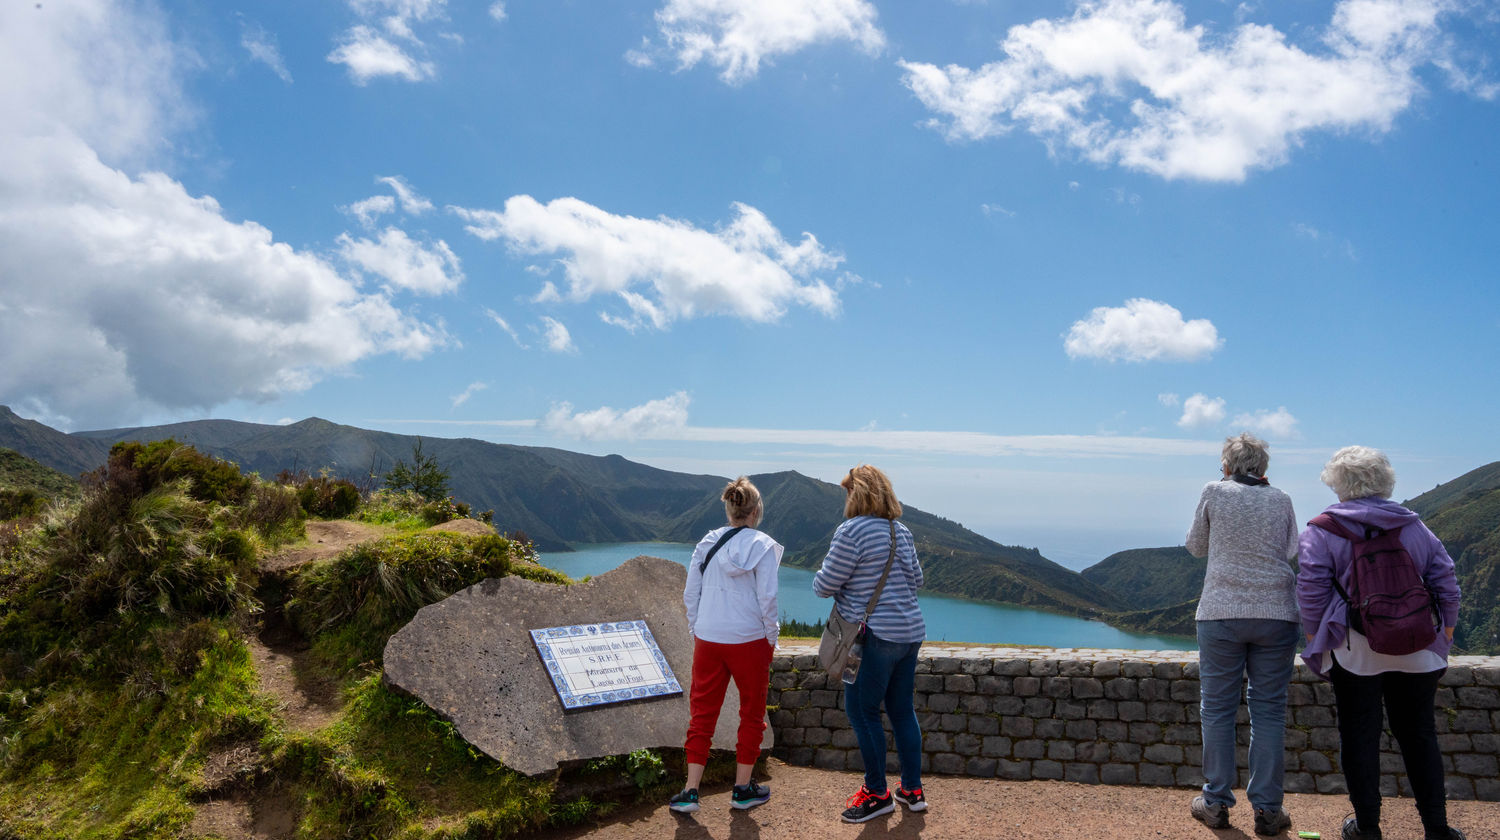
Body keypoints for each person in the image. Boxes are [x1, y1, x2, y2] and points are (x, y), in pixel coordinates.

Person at [1298, 446, 1465, 840]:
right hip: (1417, 647)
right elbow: (1446, 580)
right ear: (1385, 481)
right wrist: (1447, 634)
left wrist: (1315, 640)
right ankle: (1437, 829)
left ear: (1338, 484)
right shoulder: (1413, 526)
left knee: (1359, 737)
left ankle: (1368, 829)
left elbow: (1310, 593)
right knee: (1420, 735)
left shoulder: (1322, 530)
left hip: (1356, 650)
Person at [1185, 432, 1299, 836]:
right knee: (1267, 710)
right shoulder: (1282, 498)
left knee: (1216, 708)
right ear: (1263, 468)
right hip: (1277, 614)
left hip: (1221, 613)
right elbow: (1290, 551)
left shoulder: (1214, 492)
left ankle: (1215, 802)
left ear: (1227, 466)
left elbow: (1196, 546)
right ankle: (1268, 810)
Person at [813, 465, 926, 823]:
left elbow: (823, 585)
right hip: (909, 635)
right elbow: (917, 579)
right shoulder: (901, 531)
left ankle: (878, 794)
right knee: (902, 711)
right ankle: (911, 789)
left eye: (848, 492)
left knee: (862, 712)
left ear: (857, 494)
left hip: (872, 638)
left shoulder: (852, 530)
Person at [669, 477, 782, 814]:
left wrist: (697, 628)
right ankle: (742, 788)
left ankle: (690, 791)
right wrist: (771, 638)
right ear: (755, 510)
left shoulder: (708, 542)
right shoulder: (763, 546)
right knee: (751, 713)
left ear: (730, 508)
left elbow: (692, 593)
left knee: (702, 714)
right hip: (749, 639)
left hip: (708, 637)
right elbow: (768, 600)